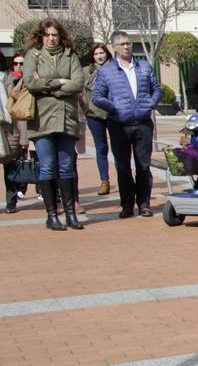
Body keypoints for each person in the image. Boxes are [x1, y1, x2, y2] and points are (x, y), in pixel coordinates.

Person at [21, 19, 86, 230]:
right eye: (47, 35)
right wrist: (59, 82)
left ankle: (70, 214)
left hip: (67, 118)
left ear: (61, 36)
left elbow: (77, 83)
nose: (51, 38)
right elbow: (30, 82)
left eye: (54, 35)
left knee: (67, 166)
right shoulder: (33, 55)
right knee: (48, 167)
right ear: (41, 36)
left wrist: (48, 88)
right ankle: (51, 215)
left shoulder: (70, 56)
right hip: (42, 118)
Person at [92, 31, 162, 221]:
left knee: (144, 166)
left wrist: (151, 103)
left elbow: (156, 88)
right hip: (119, 125)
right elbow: (97, 97)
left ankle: (144, 203)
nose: (126, 46)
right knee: (123, 167)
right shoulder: (106, 71)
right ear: (114, 47)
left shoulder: (144, 66)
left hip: (143, 123)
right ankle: (127, 205)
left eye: (128, 43)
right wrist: (114, 108)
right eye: (122, 44)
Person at [84, 43, 113, 196]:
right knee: (101, 148)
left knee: (119, 147)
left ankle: (125, 178)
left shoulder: (115, 69)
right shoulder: (86, 72)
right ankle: (104, 181)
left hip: (113, 113)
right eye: (96, 54)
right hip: (93, 114)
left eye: (102, 53)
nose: (99, 56)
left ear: (107, 53)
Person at [2, 51, 30, 213]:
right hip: (7, 129)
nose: (19, 66)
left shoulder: (20, 82)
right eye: (16, 63)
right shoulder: (8, 81)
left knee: (11, 168)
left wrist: (24, 138)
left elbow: (21, 112)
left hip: (13, 130)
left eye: (22, 63)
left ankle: (11, 200)